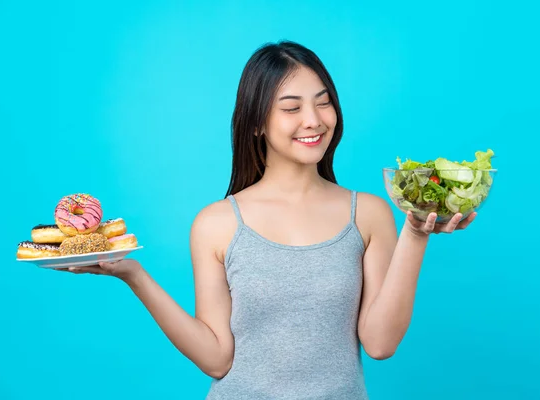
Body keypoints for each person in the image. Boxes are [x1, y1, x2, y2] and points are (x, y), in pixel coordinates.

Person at [63, 41, 476, 399]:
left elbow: (381, 343)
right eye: (291, 108)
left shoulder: (368, 213)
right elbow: (216, 360)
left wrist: (417, 233)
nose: (313, 119)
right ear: (258, 123)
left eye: (323, 101)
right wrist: (134, 275)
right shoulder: (217, 223)